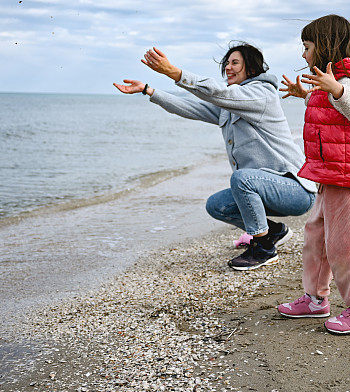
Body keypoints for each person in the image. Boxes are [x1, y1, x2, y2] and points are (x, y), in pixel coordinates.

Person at [113, 43, 316, 271]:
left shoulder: (261, 94)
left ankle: (262, 249)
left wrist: (173, 72)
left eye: (235, 63)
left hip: (296, 189)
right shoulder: (231, 106)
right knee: (217, 205)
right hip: (269, 188)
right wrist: (149, 90)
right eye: (226, 63)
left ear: (251, 68)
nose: (228, 67)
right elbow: (190, 107)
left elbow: (219, 93)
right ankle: (273, 232)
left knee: (242, 178)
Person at [276, 14, 350, 334]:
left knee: (346, 243)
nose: (303, 54)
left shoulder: (348, 81)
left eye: (307, 47)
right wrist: (308, 95)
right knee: (316, 237)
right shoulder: (330, 81)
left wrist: (336, 88)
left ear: (325, 46)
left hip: (346, 176)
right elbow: (333, 112)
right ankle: (314, 298)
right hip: (328, 174)